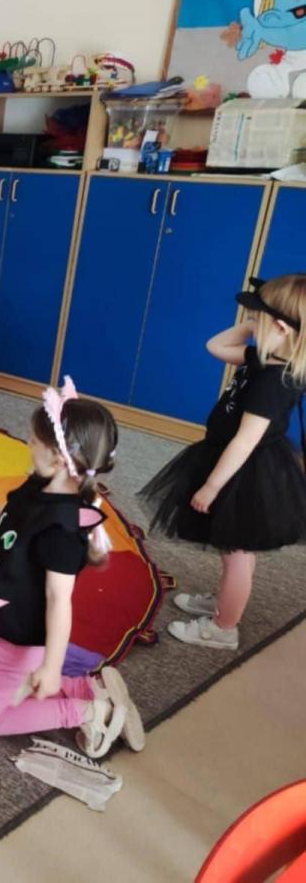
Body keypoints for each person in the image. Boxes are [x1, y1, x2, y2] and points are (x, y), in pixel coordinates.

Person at [0, 379, 145, 758]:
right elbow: (6, 521)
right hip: (7, 624)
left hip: (23, 640)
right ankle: (86, 687)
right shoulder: (39, 486)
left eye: (32, 440)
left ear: (59, 459)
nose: (27, 443)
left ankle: (89, 712)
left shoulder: (61, 531)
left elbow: (59, 601)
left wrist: (53, 668)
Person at [141, 276, 306, 650]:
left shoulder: (274, 382)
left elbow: (246, 440)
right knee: (234, 548)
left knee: (236, 554)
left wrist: (212, 486)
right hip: (234, 462)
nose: (250, 322)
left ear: (281, 328)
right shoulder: (264, 359)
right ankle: (224, 602)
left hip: (243, 472)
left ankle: (223, 627)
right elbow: (215, 346)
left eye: (257, 318)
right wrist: (253, 325)